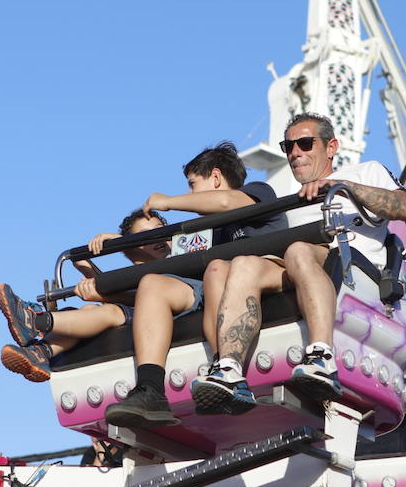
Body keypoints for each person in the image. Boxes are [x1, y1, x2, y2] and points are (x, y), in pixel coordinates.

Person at [191, 111, 406, 414]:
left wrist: (339, 185)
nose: (296, 153)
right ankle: (229, 368)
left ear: (331, 147)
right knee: (243, 263)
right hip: (295, 269)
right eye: (289, 147)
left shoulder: (365, 172)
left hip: (353, 272)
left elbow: (403, 206)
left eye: (305, 144)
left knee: (298, 250)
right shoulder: (284, 196)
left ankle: (322, 355)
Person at [105, 142, 284, 428]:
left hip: (260, 279)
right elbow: (164, 259)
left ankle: (226, 372)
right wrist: (118, 245)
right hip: (210, 290)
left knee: (216, 269)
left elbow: (225, 202)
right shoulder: (206, 231)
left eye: (192, 185)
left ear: (215, 178)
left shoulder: (259, 192)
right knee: (153, 283)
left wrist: (168, 201)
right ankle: (151, 389)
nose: (189, 195)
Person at [0, 209, 172, 381]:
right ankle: (41, 352)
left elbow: (142, 298)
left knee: (111, 312)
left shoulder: (177, 260)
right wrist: (85, 267)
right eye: (143, 235)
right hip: (139, 315)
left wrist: (102, 294)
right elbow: (122, 295)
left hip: (165, 313)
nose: (155, 236)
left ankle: (34, 321)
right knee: (88, 308)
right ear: (130, 250)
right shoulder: (133, 276)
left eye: (159, 228)